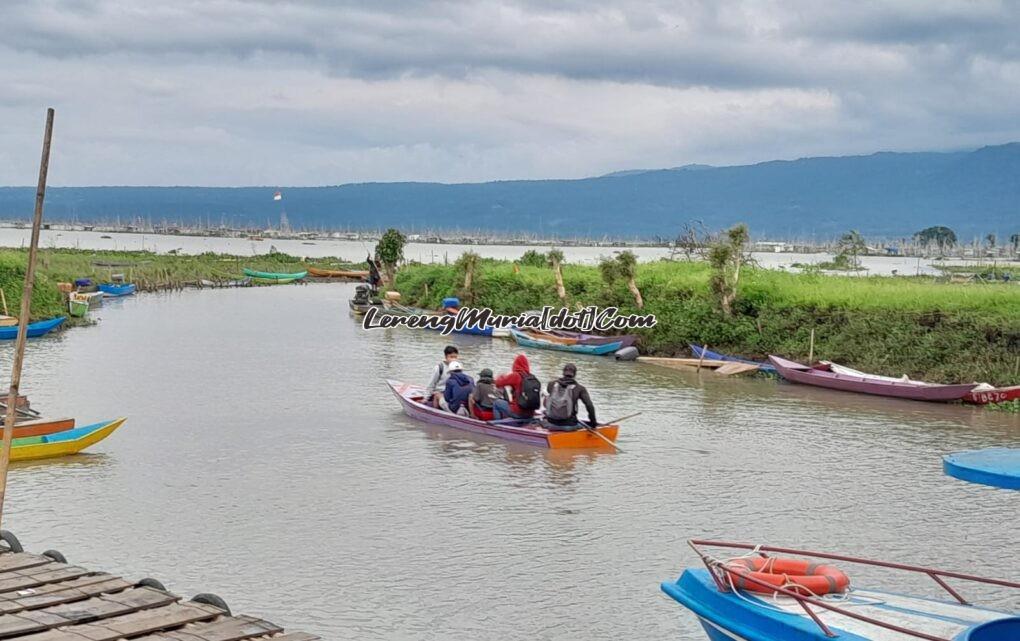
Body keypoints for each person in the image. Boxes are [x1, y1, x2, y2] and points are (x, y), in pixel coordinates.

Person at [543, 363, 597, 431]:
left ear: (563, 372)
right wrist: (593, 424)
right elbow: (589, 406)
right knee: (580, 426)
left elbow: (546, 404)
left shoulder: (551, 384)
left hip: (551, 424)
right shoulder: (579, 388)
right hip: (569, 425)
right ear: (574, 374)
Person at [492, 354, 542, 420]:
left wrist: (501, 376)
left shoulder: (516, 376)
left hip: (517, 412)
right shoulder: (532, 377)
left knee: (496, 403)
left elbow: (498, 383)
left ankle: (498, 426)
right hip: (530, 413)